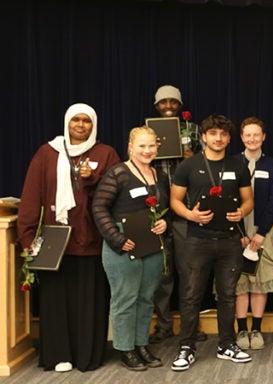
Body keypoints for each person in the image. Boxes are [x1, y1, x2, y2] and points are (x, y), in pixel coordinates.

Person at [18, 103, 120, 372]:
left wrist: (92, 177)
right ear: (67, 122)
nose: (81, 125)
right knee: (56, 300)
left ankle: (88, 356)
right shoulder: (47, 153)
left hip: (93, 240)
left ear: (93, 124)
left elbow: (117, 193)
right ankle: (58, 354)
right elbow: (31, 197)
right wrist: (27, 238)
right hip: (55, 242)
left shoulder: (105, 153)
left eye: (87, 121)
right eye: (75, 120)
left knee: (89, 300)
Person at [168, 114, 254, 371]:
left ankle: (227, 344)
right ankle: (187, 346)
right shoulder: (188, 166)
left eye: (223, 134)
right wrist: (191, 215)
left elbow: (248, 200)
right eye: (213, 133)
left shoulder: (238, 166)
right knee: (191, 295)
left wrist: (242, 212)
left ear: (229, 138)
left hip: (229, 241)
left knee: (228, 295)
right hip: (197, 241)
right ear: (203, 136)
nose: (218, 138)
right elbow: (174, 201)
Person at [91, 127, 168, 371]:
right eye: (142, 146)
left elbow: (162, 208)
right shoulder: (118, 173)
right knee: (125, 299)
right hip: (123, 248)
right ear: (130, 147)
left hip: (151, 247)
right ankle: (126, 349)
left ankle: (140, 344)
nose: (147, 151)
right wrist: (116, 238)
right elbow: (99, 207)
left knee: (146, 299)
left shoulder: (158, 174)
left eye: (151, 146)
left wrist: (164, 222)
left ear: (157, 147)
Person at [149, 85, 204, 344]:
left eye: (173, 101)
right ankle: (163, 325)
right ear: (156, 105)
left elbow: (208, 164)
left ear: (180, 105)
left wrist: (191, 157)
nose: (168, 105)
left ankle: (191, 326)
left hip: (185, 210)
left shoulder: (193, 130)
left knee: (189, 271)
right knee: (162, 273)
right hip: (156, 211)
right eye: (163, 102)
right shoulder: (147, 133)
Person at [233, 117, 273, 351]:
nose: (252, 139)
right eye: (248, 135)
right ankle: (241, 328)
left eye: (257, 135)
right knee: (240, 283)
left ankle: (257, 329)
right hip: (237, 232)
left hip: (264, 233)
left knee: (259, 283)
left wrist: (261, 233)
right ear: (242, 138)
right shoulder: (232, 163)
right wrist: (240, 232)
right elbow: (227, 199)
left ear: (263, 137)